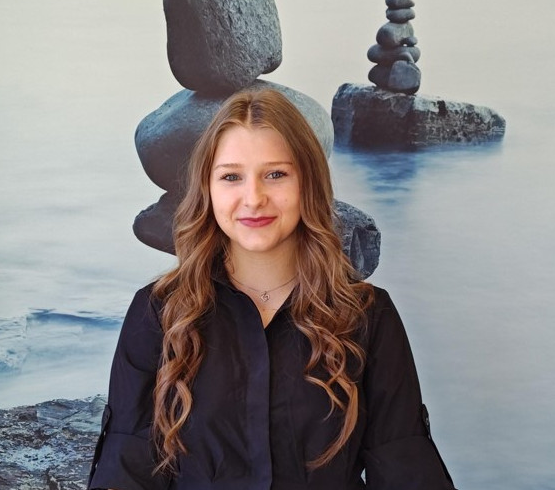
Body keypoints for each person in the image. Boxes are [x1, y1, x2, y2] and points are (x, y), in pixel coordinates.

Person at [87, 88, 456, 490]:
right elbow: (126, 469)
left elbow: (405, 467)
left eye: (276, 174)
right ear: (207, 190)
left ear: (307, 183)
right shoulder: (158, 311)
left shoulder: (368, 315)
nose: (254, 198)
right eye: (231, 177)